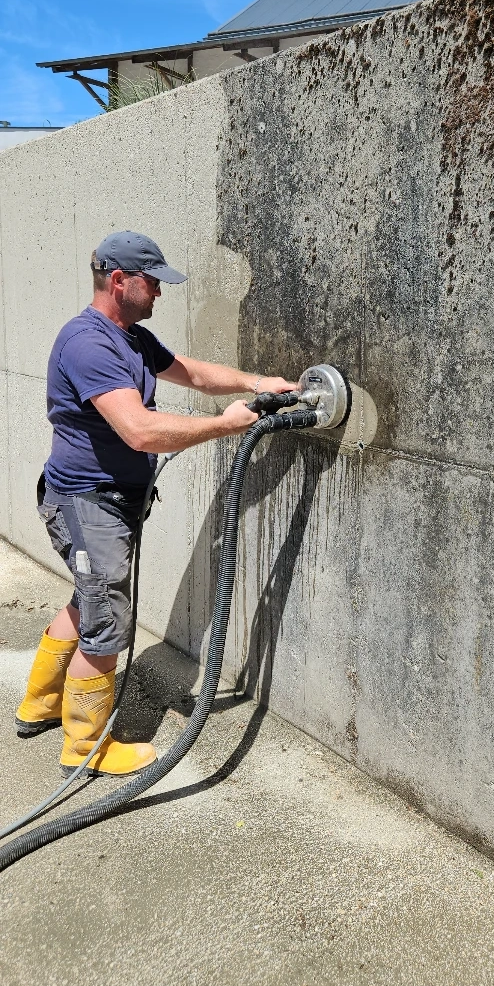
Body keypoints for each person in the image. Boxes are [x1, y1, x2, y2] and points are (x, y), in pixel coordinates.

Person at [15, 230, 296, 777]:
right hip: (87, 504)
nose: (160, 296)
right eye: (152, 284)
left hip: (106, 503)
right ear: (119, 281)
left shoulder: (131, 337)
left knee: (88, 598)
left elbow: (188, 371)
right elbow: (139, 431)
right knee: (107, 620)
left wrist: (259, 382)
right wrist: (225, 425)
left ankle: (40, 704)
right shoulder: (88, 343)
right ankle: (84, 748)